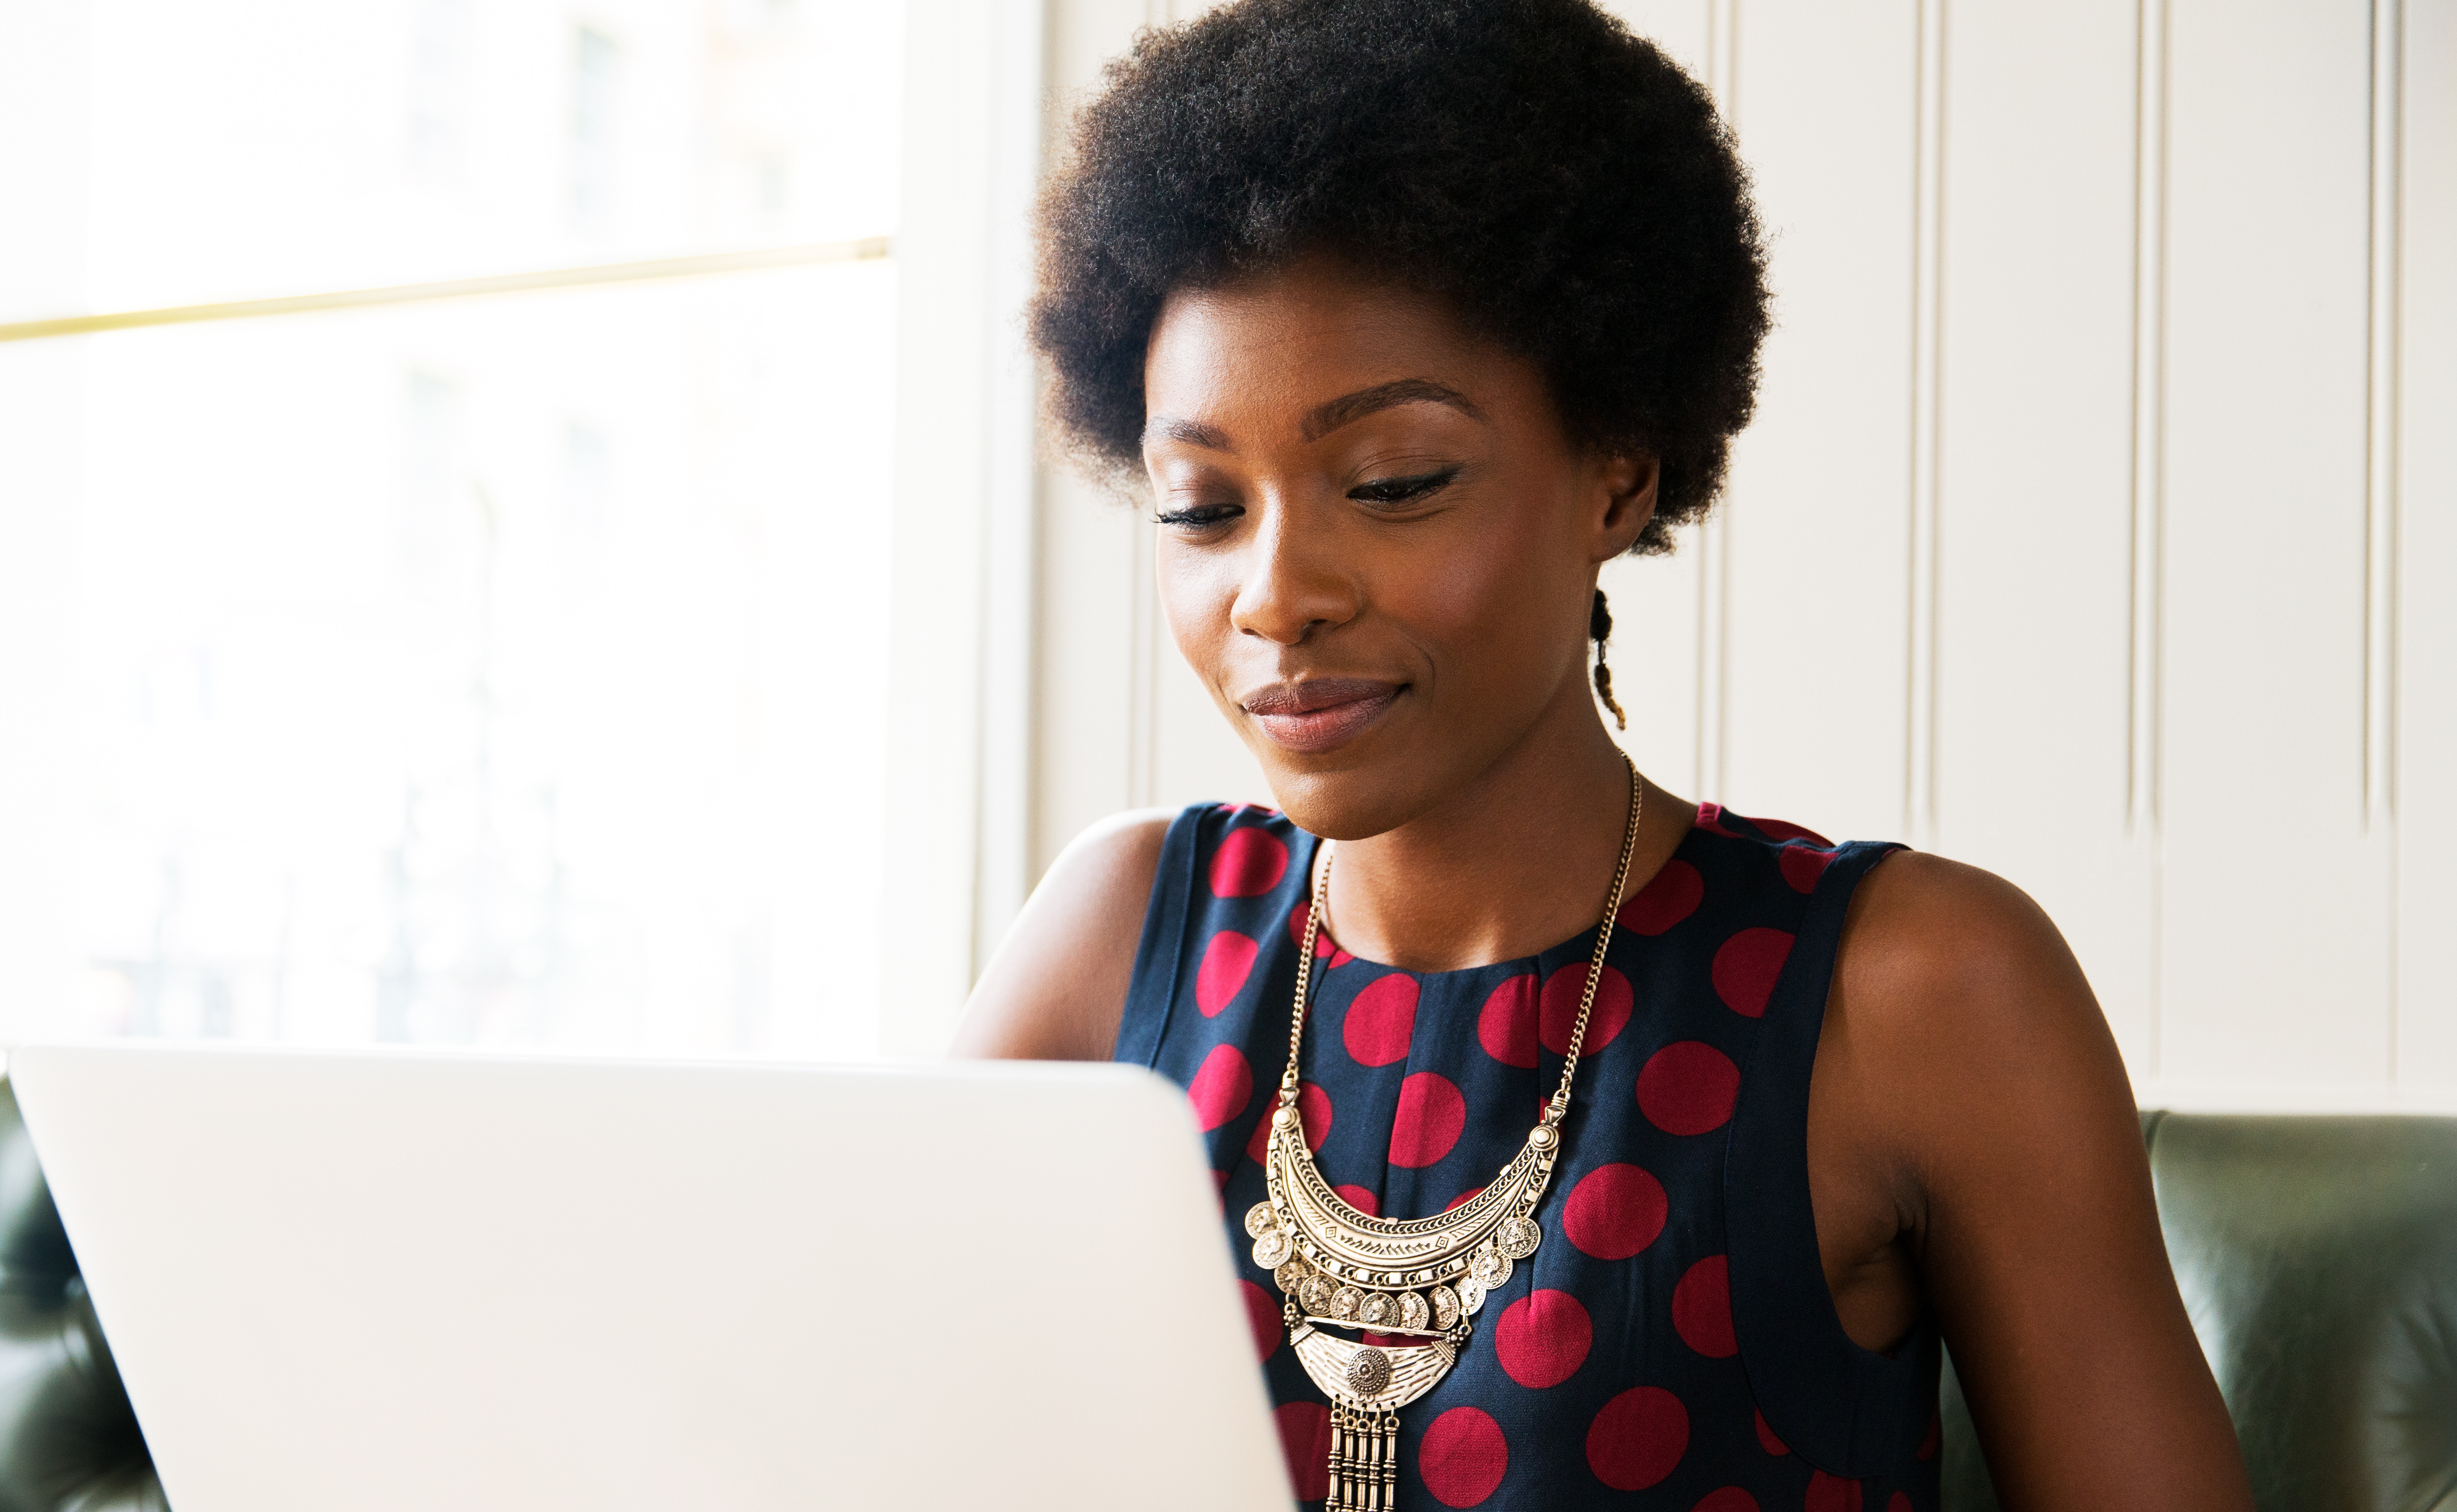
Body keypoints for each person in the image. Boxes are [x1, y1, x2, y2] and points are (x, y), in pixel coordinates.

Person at [953, 2, 2253, 1508]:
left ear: (1616, 482)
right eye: (1202, 507)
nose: (1275, 593)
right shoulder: (1120, 938)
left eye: (1395, 482)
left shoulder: (1915, 995)